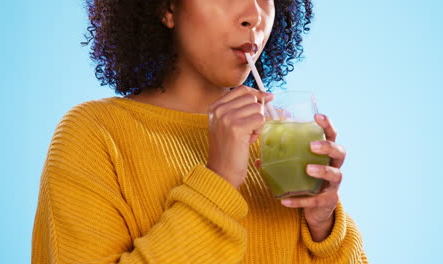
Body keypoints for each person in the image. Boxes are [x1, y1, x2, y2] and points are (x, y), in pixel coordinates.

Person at [32, 0, 368, 263]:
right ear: (167, 7)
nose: (254, 14)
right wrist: (218, 181)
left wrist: (324, 229)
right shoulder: (95, 135)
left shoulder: (278, 141)